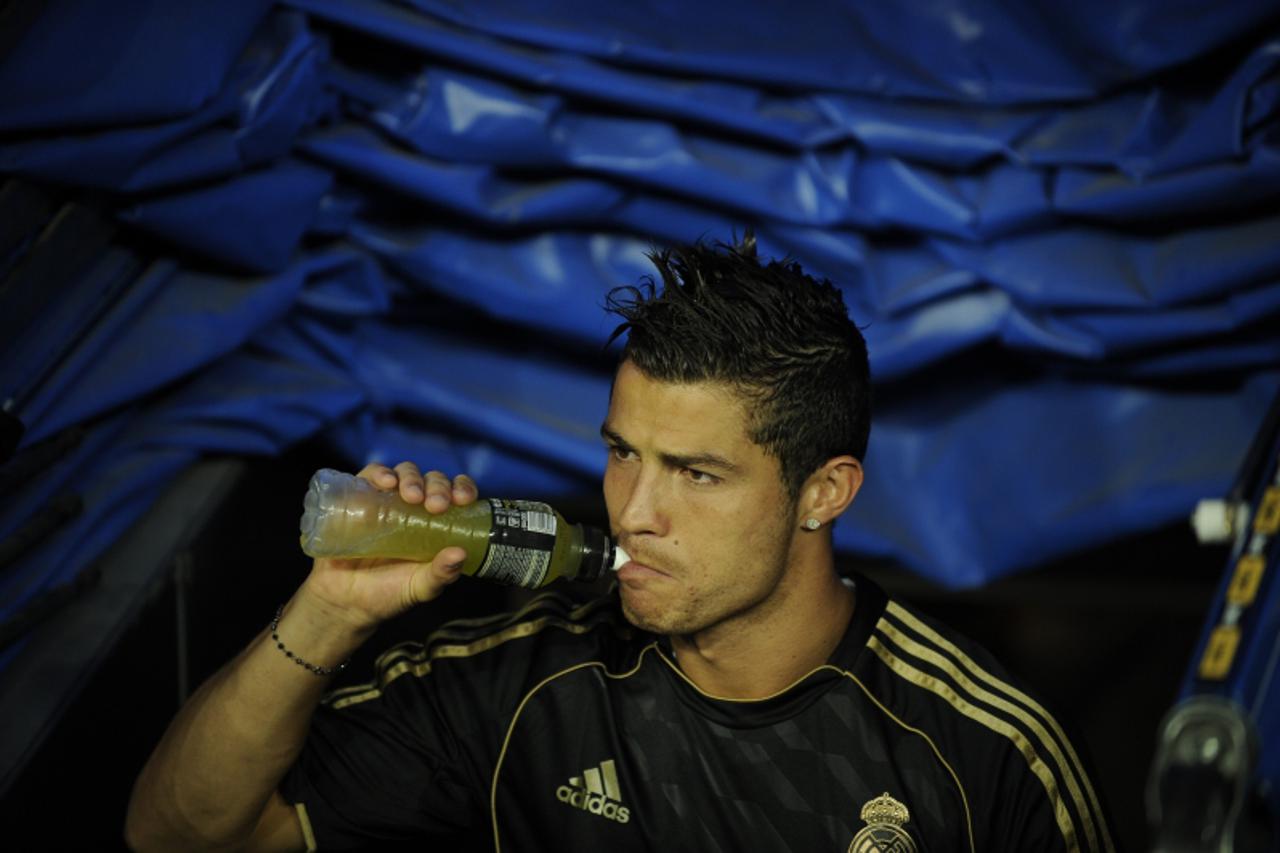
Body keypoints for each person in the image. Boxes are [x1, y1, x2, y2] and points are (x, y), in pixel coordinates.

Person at [126, 236, 1116, 852]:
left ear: (822, 492)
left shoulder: (981, 755)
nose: (634, 509)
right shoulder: (514, 682)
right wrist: (329, 608)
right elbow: (177, 833)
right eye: (619, 454)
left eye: (695, 473)